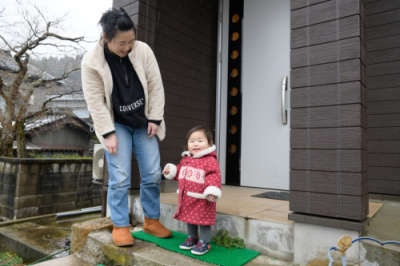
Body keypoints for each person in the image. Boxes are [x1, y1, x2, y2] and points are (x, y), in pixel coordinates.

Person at [81, 7, 171, 247]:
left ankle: (151, 221)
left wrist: (155, 118)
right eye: (122, 43)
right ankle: (120, 225)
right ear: (106, 37)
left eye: (131, 40)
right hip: (116, 123)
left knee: (152, 173)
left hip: (144, 122)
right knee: (119, 177)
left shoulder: (143, 51)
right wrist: (108, 134)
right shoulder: (92, 62)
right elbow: (95, 102)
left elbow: (156, 85)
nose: (128, 47)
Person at [162, 126, 222, 255]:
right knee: (190, 218)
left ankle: (205, 242)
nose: (196, 144)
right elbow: (180, 172)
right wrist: (172, 171)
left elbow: (214, 176)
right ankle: (192, 238)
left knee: (203, 220)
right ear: (187, 144)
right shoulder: (186, 160)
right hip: (188, 198)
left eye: (200, 141)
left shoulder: (210, 161)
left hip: (203, 198)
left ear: (210, 143)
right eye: (192, 141)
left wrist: (212, 190)